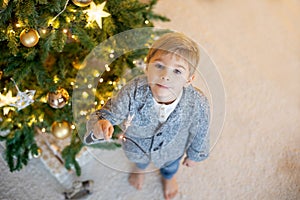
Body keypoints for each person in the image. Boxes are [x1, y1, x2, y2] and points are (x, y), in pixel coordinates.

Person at [84, 32, 210, 200]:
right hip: (137, 146)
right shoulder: (134, 90)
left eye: (177, 71)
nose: (166, 75)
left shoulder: (198, 103)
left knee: (170, 166)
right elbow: (111, 111)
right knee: (140, 160)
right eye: (159, 66)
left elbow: (202, 131)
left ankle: (169, 177)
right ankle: (140, 169)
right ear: (147, 66)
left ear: (189, 79)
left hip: (172, 149)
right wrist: (102, 123)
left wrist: (195, 155)